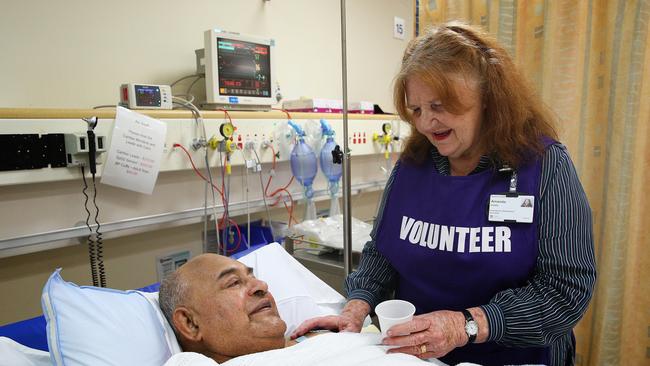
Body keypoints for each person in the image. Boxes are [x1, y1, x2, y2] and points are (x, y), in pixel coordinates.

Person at [292, 21, 596, 366]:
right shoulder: (414, 163)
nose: (425, 124)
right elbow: (384, 250)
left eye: (439, 106)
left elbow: (566, 290)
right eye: (417, 109)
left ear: (488, 98)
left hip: (516, 357)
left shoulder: (543, 165)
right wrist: (357, 305)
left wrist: (465, 324)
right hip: (418, 359)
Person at [158, 253, 442, 366]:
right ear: (190, 324)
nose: (261, 285)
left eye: (252, 275)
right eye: (234, 282)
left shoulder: (325, 338)